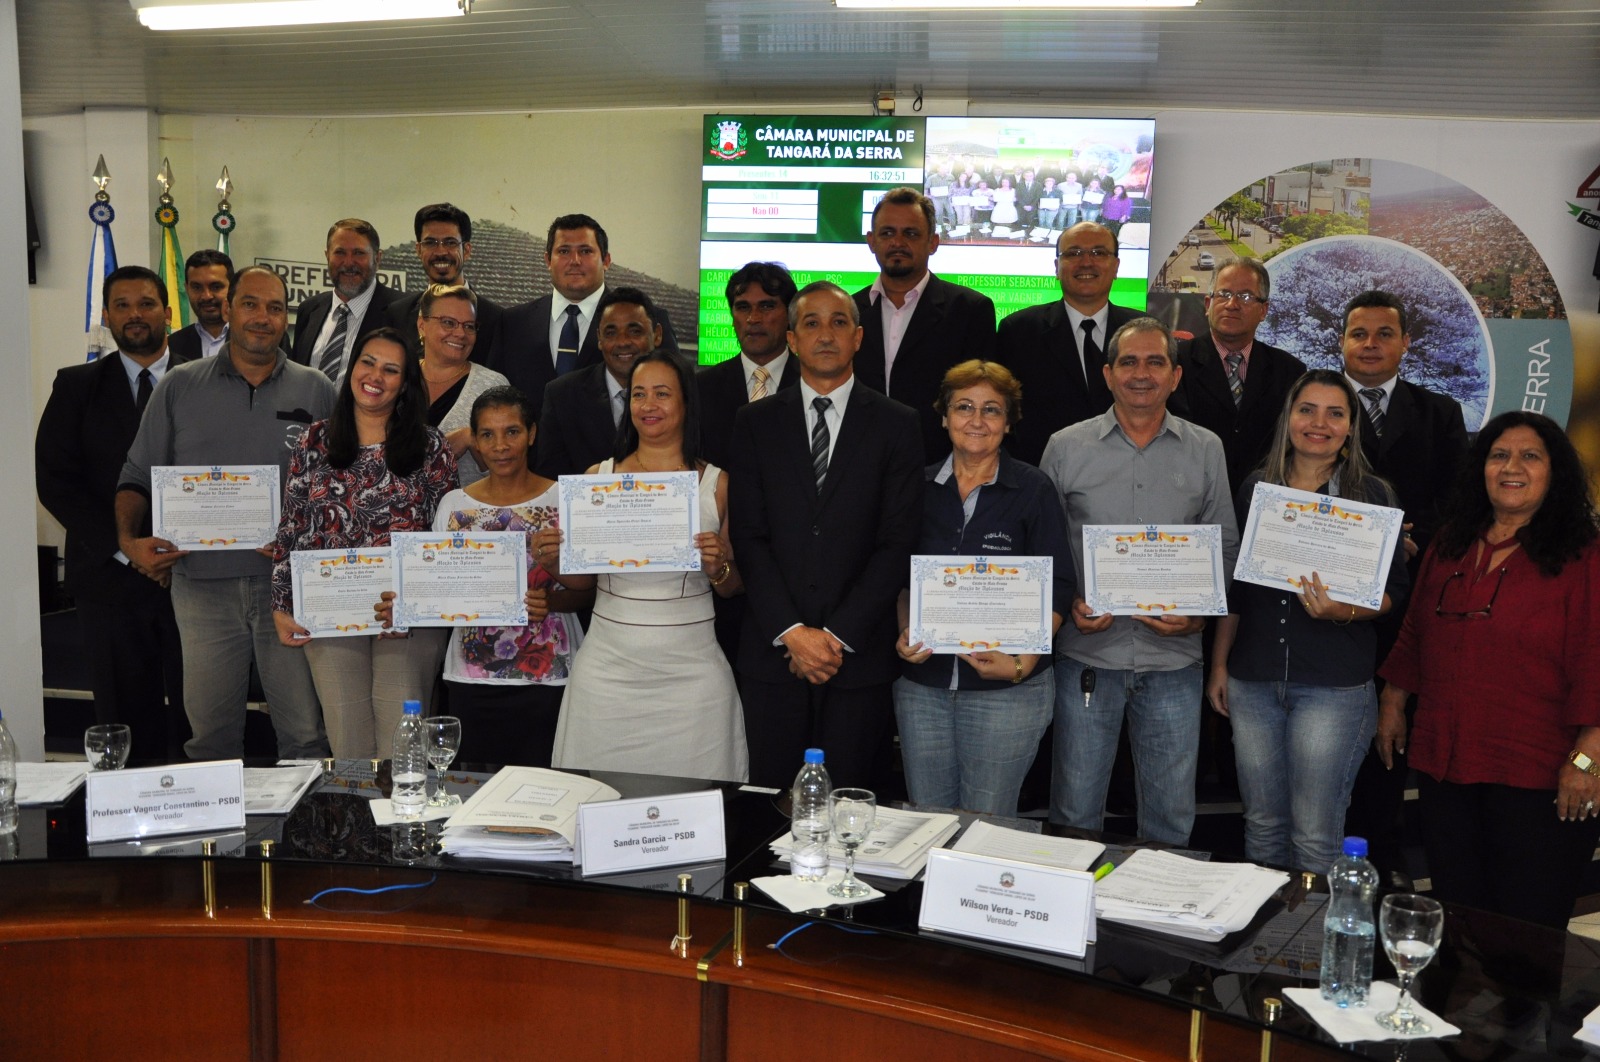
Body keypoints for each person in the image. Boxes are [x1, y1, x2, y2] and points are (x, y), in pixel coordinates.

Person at [1375, 412, 1600, 928]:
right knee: (1459, 922)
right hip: (1446, 766)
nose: (1511, 467)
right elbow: (1415, 630)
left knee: (1528, 934)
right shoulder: (1452, 541)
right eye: (1499, 455)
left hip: (1541, 777)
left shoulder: (1583, 554)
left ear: (1554, 472)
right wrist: (1392, 701)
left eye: (1529, 456)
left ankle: (1527, 1014)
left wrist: (1589, 762)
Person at [117, 265, 335, 761]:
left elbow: (339, 485)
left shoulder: (317, 389)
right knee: (210, 737)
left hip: (290, 588)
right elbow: (136, 473)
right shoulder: (178, 385)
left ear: (287, 320)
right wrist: (130, 543)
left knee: (303, 733)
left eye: (276, 308)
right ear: (228, 309)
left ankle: (308, 839)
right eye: (252, 304)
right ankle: (216, 840)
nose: (263, 317)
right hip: (202, 588)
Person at [1041, 317, 1238, 845]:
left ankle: (1159, 922)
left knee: (1171, 818)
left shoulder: (1206, 449)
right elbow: (1043, 549)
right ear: (1107, 374)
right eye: (1129, 361)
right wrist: (1069, 603)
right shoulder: (1065, 447)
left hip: (1175, 663)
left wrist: (1199, 613)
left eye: (1156, 362)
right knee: (1074, 813)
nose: (1142, 374)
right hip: (1089, 656)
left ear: (1176, 376)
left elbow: (1223, 543)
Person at [1206, 370, 1409, 872]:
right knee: (1262, 827)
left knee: (1316, 837)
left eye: (1335, 413)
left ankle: (1310, 950)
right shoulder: (1257, 488)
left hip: (1333, 689)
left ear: (1350, 427)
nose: (1319, 423)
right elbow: (1238, 588)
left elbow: (1396, 595)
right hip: (1252, 681)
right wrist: (1219, 667)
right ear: (1289, 419)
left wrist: (1346, 611)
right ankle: (1263, 949)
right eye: (1307, 410)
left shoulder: (1373, 497)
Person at [729, 281, 925, 790]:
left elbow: (896, 542)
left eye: (838, 322)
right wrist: (793, 633)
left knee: (853, 809)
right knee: (768, 812)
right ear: (792, 340)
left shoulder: (897, 424)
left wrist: (834, 638)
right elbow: (749, 539)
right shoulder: (754, 423)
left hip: (857, 660)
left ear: (859, 337)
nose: (825, 335)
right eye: (811, 323)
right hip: (775, 656)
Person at [549, 349, 749, 782]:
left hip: (692, 680)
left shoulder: (718, 484)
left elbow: (736, 587)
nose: (648, 405)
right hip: (605, 675)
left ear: (685, 403)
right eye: (638, 394)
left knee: (693, 817)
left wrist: (719, 569)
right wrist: (551, 559)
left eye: (662, 394)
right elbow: (582, 581)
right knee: (597, 804)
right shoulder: (594, 479)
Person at [893, 360, 1071, 815]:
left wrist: (1022, 663)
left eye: (991, 410)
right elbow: (898, 578)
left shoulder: (1034, 489)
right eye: (963, 407)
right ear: (943, 416)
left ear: (1009, 423)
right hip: (924, 688)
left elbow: (1058, 582)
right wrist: (906, 630)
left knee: (988, 828)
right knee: (926, 822)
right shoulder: (915, 487)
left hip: (1006, 693)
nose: (976, 421)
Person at [272, 327, 457, 760]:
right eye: (368, 362)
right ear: (352, 368)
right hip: (330, 614)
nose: (375, 376)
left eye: (391, 370)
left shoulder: (432, 447)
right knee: (348, 744)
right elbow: (293, 525)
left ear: (406, 384)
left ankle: (405, 828)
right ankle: (358, 827)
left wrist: (419, 597)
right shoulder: (313, 441)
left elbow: (446, 540)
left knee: (403, 745)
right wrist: (281, 603)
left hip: (406, 617)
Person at [1338, 289, 1471, 884]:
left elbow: (1461, 498)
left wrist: (1413, 536)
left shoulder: (1439, 411)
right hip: (1325, 591)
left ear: (1404, 343)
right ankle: (1326, 840)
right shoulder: (1319, 406)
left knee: (1390, 724)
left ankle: (1378, 843)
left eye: (1383, 334)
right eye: (1359, 333)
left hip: (1408, 597)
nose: (1370, 344)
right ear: (1340, 342)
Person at [378, 385, 584, 768]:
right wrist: (405, 606)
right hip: (470, 677)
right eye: (487, 434)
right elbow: (436, 589)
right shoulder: (455, 506)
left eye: (512, 432)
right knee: (471, 797)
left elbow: (589, 591)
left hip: (548, 676)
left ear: (532, 433)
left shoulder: (563, 500)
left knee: (539, 793)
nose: (500, 445)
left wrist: (551, 600)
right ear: (474, 439)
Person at [37, 265, 191, 763]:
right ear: (106, 315)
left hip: (195, 572)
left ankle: (209, 828)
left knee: (203, 712)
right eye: (121, 305)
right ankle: (135, 827)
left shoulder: (207, 378)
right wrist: (126, 547)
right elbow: (56, 481)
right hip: (110, 577)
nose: (135, 315)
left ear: (168, 312)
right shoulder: (76, 386)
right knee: (125, 717)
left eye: (146, 303)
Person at [852, 187, 997, 462]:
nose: (897, 242)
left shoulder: (970, 310)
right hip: (860, 465)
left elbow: (978, 399)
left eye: (911, 233)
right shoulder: (848, 312)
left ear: (933, 242)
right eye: (887, 233)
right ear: (871, 241)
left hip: (938, 469)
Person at [488, 213, 677, 419]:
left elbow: (677, 395)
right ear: (548, 260)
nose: (575, 261)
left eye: (586, 251)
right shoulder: (514, 323)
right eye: (564, 251)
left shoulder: (649, 322)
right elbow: (494, 400)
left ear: (606, 260)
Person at [995, 222, 1140, 466]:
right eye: (1073, 253)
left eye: (1098, 253)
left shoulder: (1144, 331)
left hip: (1130, 474)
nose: (1086, 262)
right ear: (1057, 267)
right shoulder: (1019, 330)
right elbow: (1003, 414)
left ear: (1116, 266)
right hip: (1043, 477)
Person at [1171, 258, 1307, 496]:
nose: (1231, 304)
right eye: (1223, 294)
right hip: (1190, 499)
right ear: (1207, 304)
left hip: (1264, 505)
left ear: (1264, 310)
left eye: (1245, 297)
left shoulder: (1290, 371)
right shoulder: (1175, 363)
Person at [535, 286, 662, 479]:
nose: (622, 342)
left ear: (657, 335)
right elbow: (552, 480)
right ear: (599, 339)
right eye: (611, 333)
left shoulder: (682, 393)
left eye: (634, 331)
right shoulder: (562, 395)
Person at [699, 262, 800, 470]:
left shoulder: (813, 382)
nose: (753, 318)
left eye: (767, 306)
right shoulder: (700, 388)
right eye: (743, 307)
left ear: (790, 316)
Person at [386, 202, 503, 365]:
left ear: (467, 250)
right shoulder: (397, 314)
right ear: (419, 250)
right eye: (430, 243)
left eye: (450, 243)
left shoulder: (496, 320)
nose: (440, 252)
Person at [416, 283, 509, 485]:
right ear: (422, 325)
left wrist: (470, 438)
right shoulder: (396, 377)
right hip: (391, 512)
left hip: (463, 514)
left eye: (469, 326)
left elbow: (507, 474)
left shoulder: (492, 387)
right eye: (448, 322)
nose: (460, 333)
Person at [290, 218, 396, 380]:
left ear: (378, 258)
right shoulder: (309, 309)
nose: (348, 262)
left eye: (359, 253)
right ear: (327, 256)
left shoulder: (401, 311)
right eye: (340, 253)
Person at [166, 249, 232, 361]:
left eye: (216, 287)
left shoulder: (253, 339)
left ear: (232, 288)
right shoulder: (170, 347)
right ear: (187, 289)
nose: (206, 296)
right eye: (197, 287)